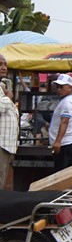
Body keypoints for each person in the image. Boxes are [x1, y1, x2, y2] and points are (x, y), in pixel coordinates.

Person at [49, 74, 72, 170]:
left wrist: (58, 141)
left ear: (70, 87)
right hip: (66, 142)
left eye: (62, 87)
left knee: (61, 173)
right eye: (57, 87)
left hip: (65, 143)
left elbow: (64, 122)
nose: (59, 89)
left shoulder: (67, 102)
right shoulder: (68, 100)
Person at [0, 54, 18, 190]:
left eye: (5, 64)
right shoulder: (6, 93)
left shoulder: (2, 87)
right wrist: (8, 98)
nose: (4, 67)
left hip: (5, 144)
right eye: (0, 64)